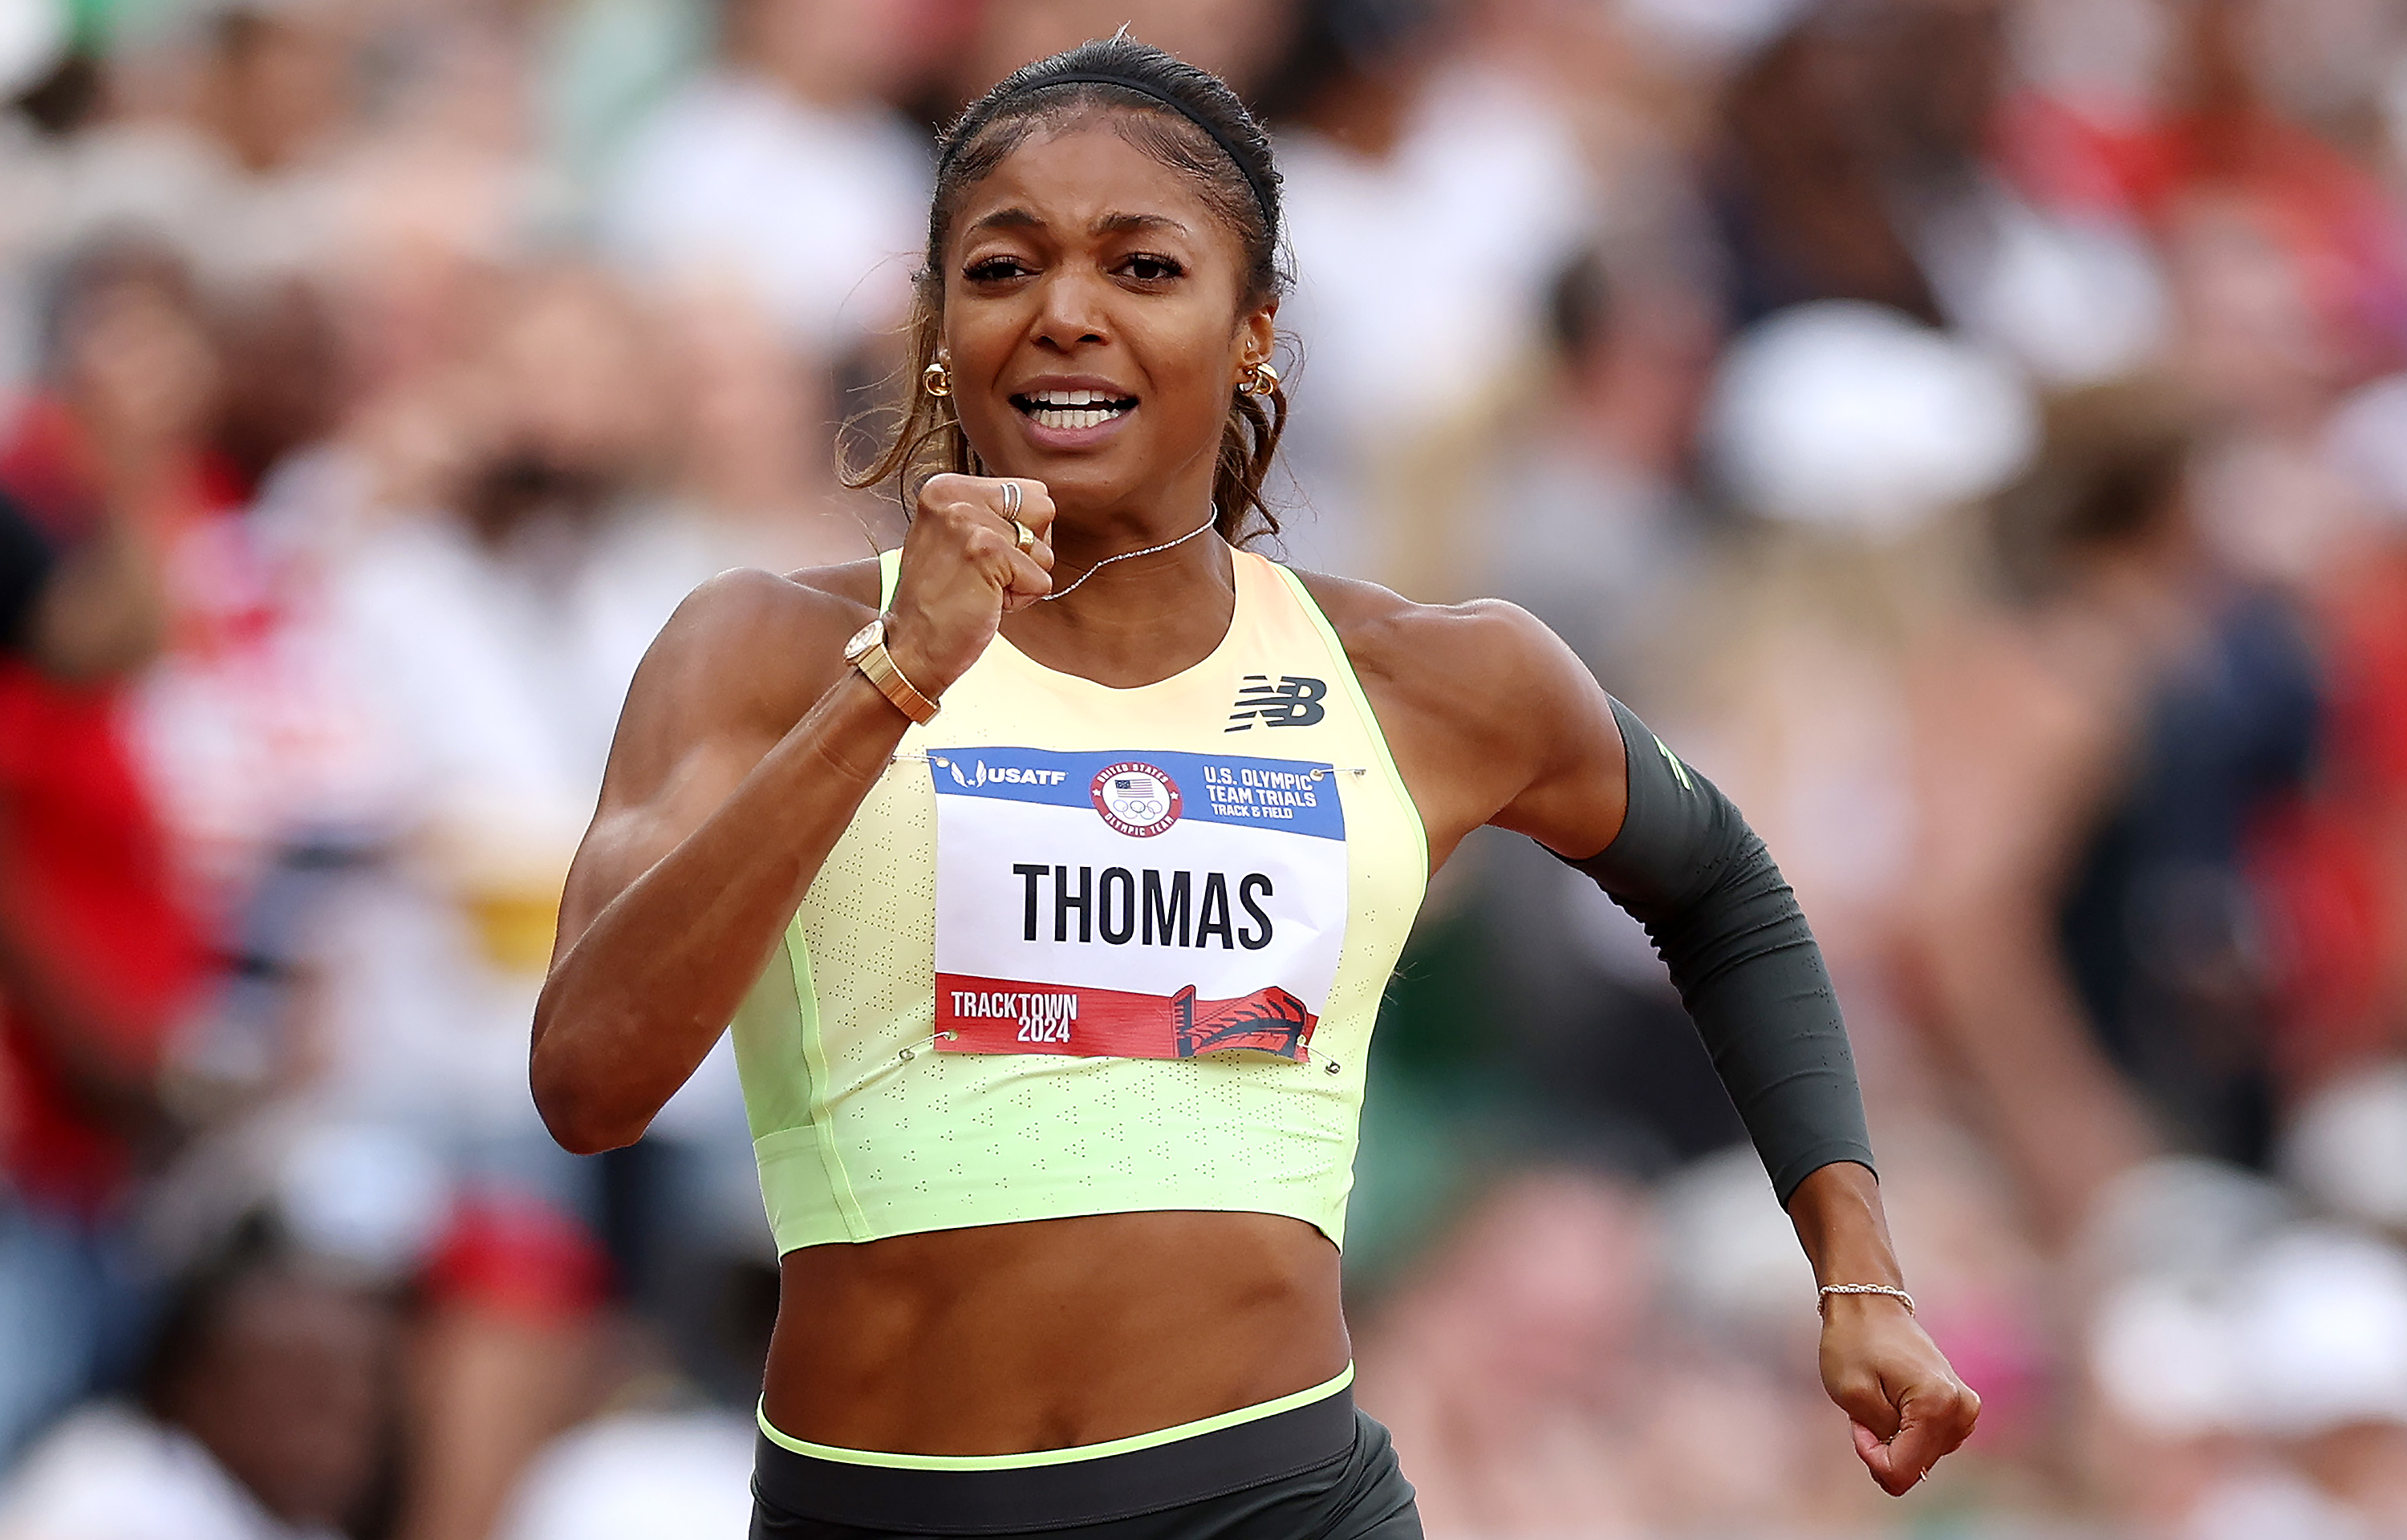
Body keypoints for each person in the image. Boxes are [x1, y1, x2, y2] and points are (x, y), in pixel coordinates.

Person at [532, 37, 1979, 1538]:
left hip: (1273, 1502)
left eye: (1145, 269)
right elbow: (589, 1081)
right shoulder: (764, 650)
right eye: (1003, 268)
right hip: (887, 1505)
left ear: (1254, 332)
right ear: (938, 326)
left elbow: (1726, 893)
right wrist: (894, 683)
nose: (1067, 315)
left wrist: (1856, 1269)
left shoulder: (1428, 679)